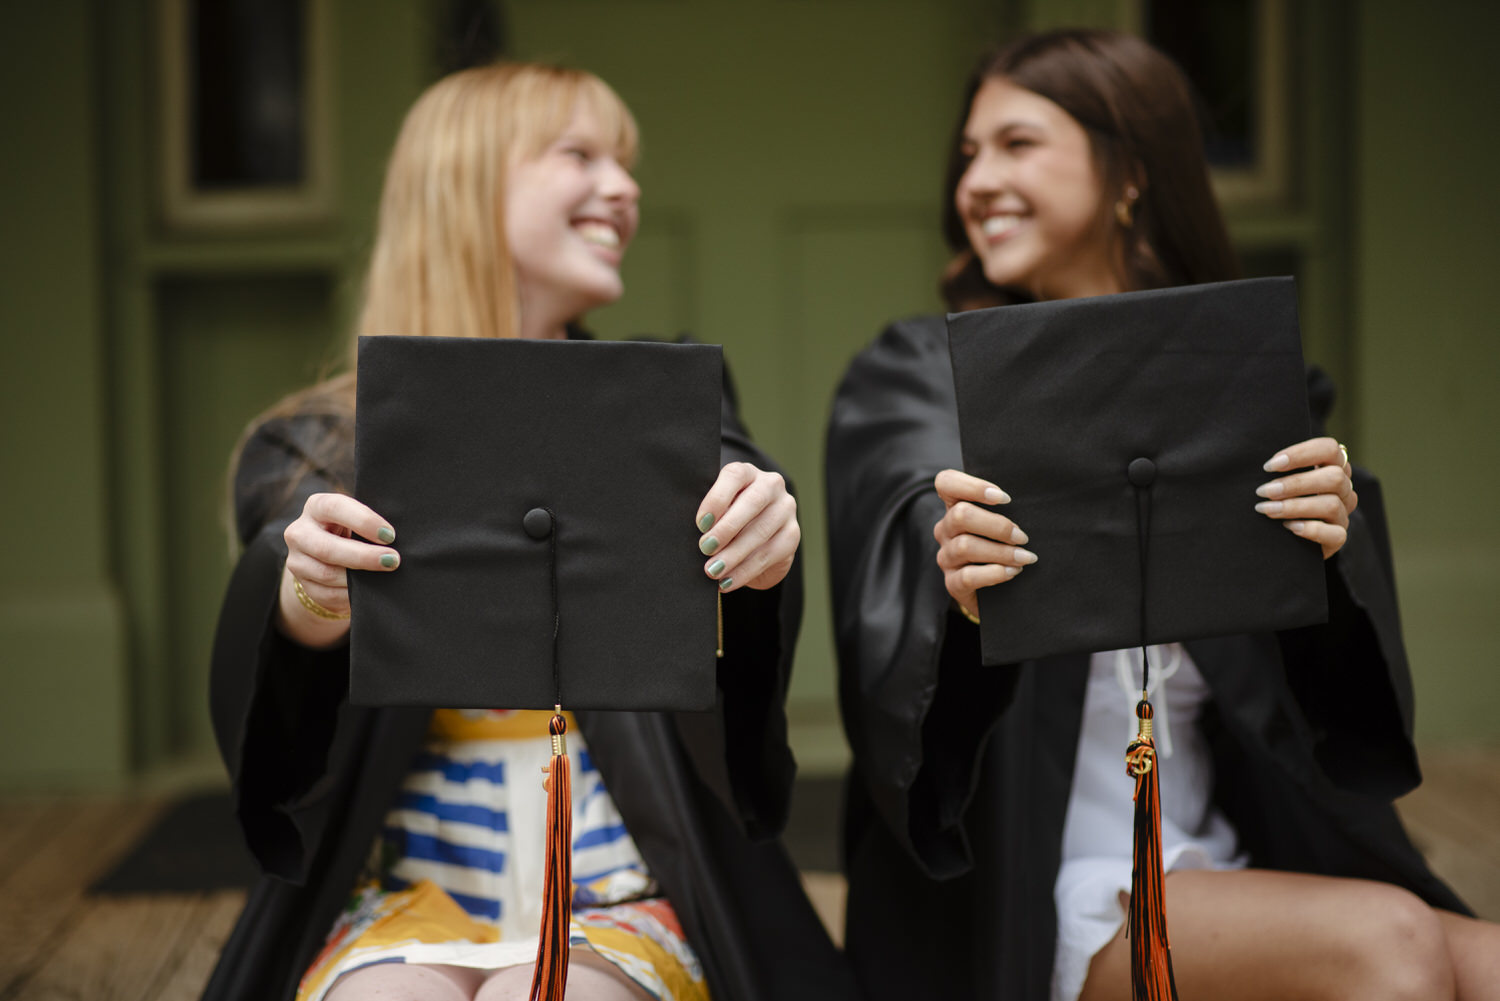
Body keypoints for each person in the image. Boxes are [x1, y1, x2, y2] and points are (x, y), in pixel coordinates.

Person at [825, 29, 1500, 1001]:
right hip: (1044, 886)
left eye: (1017, 144)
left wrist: (1328, 544)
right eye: (968, 153)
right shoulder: (920, 379)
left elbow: (1332, 717)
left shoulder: (1232, 388)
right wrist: (960, 586)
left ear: (1131, 172)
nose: (976, 181)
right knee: (1390, 941)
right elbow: (900, 546)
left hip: (1219, 856)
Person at [204, 62, 853, 1001]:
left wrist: (756, 542)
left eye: (625, 163)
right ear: (464, 186)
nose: (624, 188)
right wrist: (306, 600)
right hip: (399, 889)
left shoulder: (658, 408)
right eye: (580, 155)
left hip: (620, 885)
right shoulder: (309, 449)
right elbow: (280, 744)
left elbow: (737, 579)